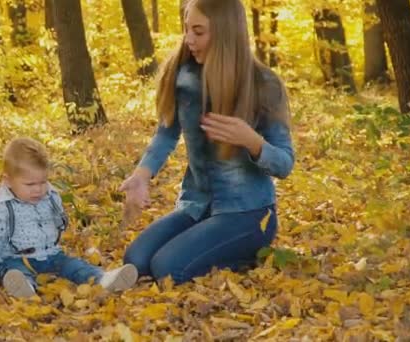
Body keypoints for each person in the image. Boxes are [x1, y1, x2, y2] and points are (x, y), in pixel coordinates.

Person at [120, 0, 295, 285]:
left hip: (248, 213)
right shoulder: (184, 76)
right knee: (136, 260)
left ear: (226, 33)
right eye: (187, 30)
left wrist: (251, 141)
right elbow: (166, 134)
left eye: (198, 32)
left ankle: (246, 253)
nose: (189, 40)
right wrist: (142, 175)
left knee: (167, 268)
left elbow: (285, 164)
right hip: (196, 206)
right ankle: (205, 242)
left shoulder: (263, 83)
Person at [0, 137, 137, 297]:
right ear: (8, 181)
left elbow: (58, 221)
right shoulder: (0, 206)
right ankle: (25, 287)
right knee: (14, 270)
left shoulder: (50, 196)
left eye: (43, 182)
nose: (38, 190)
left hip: (51, 255)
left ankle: (102, 279)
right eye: (30, 185)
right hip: (17, 257)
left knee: (73, 266)